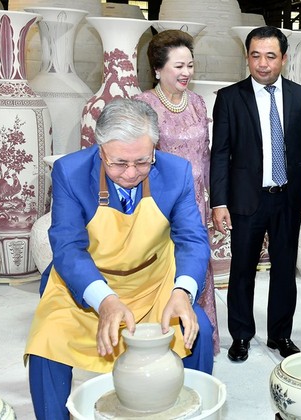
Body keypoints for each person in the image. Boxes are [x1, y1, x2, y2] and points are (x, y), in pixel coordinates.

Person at [24, 99, 213, 419]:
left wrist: (182, 292)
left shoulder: (176, 172)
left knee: (199, 331)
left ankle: (189, 411)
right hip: (86, 285)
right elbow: (68, 248)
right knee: (46, 340)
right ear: (100, 150)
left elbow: (192, 239)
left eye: (142, 162)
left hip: (153, 284)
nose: (130, 173)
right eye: (118, 163)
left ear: (155, 147)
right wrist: (105, 300)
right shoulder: (70, 172)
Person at [210, 26, 301, 362]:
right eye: (256, 55)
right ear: (247, 57)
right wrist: (219, 201)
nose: (263, 64)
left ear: (284, 58)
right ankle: (241, 335)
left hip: (288, 197)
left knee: (285, 270)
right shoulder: (229, 97)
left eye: (271, 56)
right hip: (245, 200)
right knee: (242, 270)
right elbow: (220, 152)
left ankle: (280, 335)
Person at [134, 29, 219, 353]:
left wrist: (215, 201)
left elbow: (206, 155)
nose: (186, 73)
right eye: (178, 66)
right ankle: (159, 347)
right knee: (164, 273)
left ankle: (197, 345)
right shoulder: (145, 105)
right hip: (160, 209)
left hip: (196, 206)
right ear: (158, 69)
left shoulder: (197, 102)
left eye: (190, 66)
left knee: (195, 271)